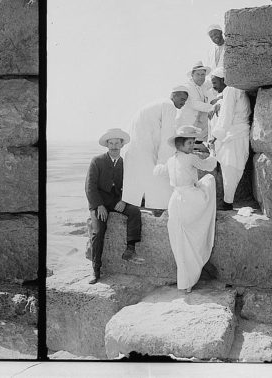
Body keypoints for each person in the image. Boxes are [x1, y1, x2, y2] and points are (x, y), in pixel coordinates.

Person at [154, 125, 218, 293]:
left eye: (192, 142)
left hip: (175, 201)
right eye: (189, 143)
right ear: (180, 145)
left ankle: (185, 281)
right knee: (210, 180)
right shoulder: (190, 158)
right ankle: (188, 279)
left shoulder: (171, 160)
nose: (192, 146)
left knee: (180, 241)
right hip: (190, 199)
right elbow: (209, 166)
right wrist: (212, 151)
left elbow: (159, 172)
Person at [86, 128, 145, 285]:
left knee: (134, 212)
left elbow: (132, 184)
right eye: (110, 143)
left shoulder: (126, 163)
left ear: (122, 144)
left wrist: (124, 200)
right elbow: (90, 186)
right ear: (106, 145)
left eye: (116, 143)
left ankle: (130, 250)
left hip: (117, 201)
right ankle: (95, 269)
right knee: (98, 232)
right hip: (99, 203)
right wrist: (98, 205)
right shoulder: (97, 161)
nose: (113, 146)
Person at [122, 87, 189, 211]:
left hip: (136, 146)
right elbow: (167, 138)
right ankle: (159, 206)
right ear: (173, 96)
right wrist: (165, 164)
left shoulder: (158, 104)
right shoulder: (169, 106)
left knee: (140, 177)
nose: (183, 103)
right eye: (182, 99)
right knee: (159, 178)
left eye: (185, 101)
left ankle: (142, 202)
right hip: (145, 147)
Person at [208, 66, 251, 210]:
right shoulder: (236, 90)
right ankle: (228, 201)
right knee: (232, 169)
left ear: (223, 80)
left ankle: (227, 203)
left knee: (230, 169)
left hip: (235, 136)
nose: (214, 87)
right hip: (238, 135)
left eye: (215, 83)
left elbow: (227, 116)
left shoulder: (230, 90)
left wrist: (215, 136)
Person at [176, 61, 214, 142]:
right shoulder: (188, 87)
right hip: (186, 126)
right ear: (192, 75)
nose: (201, 77)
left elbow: (213, 82)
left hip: (198, 128)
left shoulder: (203, 85)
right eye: (198, 74)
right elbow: (195, 104)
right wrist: (214, 107)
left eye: (203, 74)